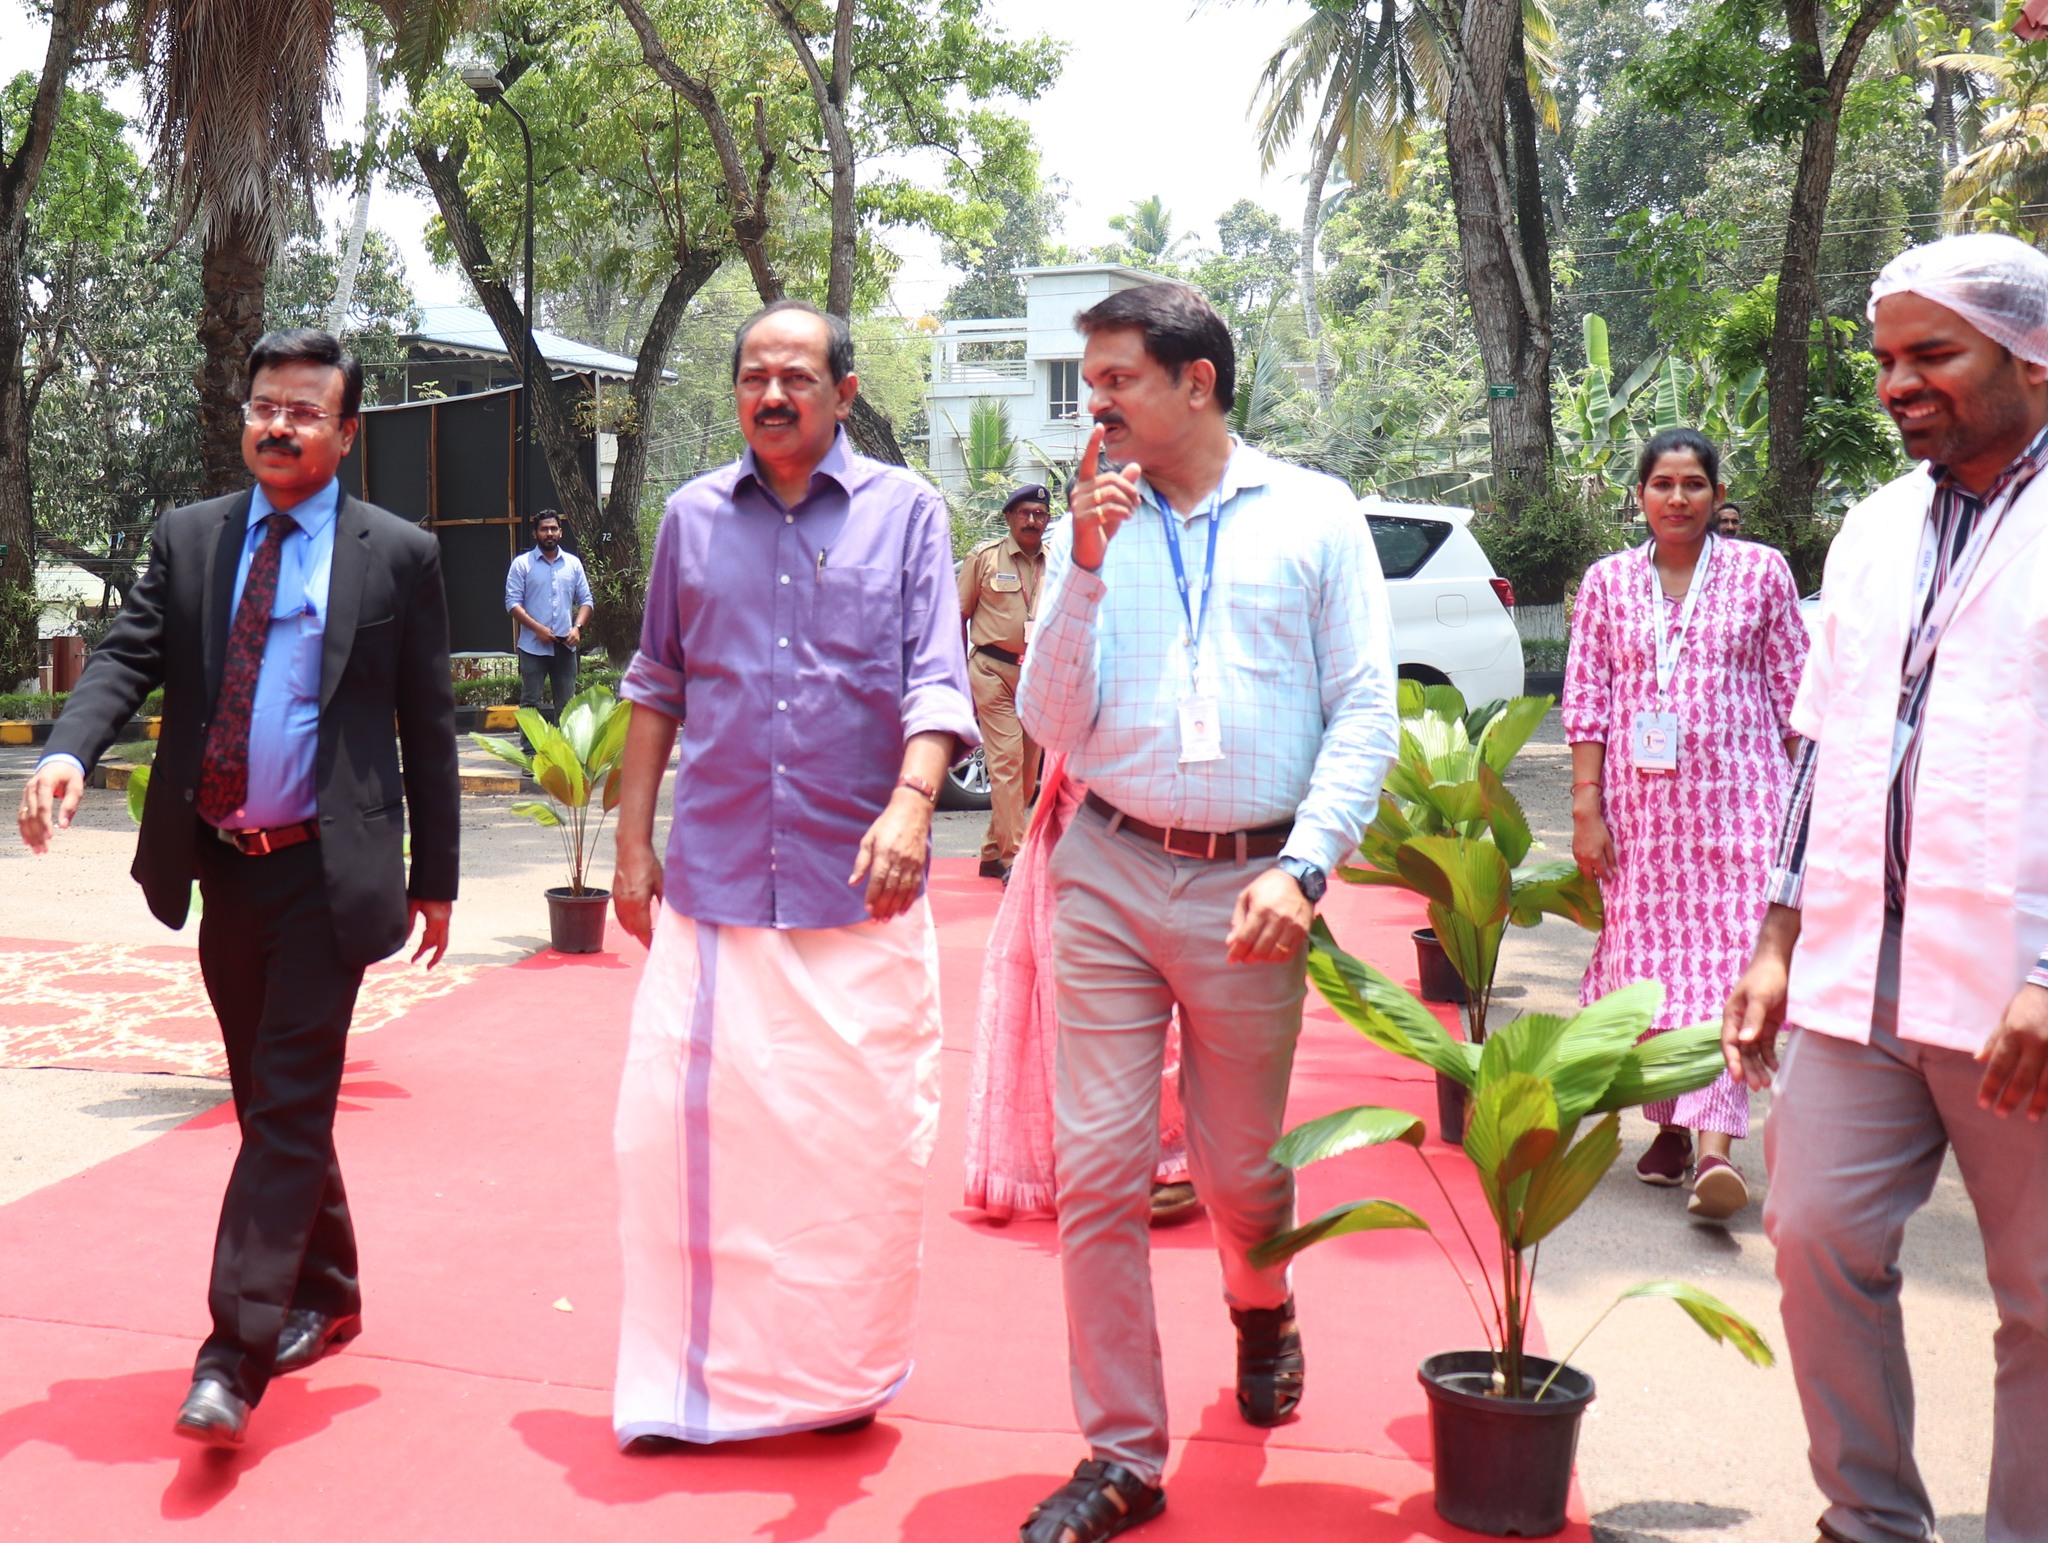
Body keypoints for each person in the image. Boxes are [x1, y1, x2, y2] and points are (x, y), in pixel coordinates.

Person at [15, 328, 459, 1447]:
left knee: (288, 1099)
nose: (278, 424)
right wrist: (67, 751)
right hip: (221, 860)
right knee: (274, 1100)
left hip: (327, 866)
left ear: (346, 431)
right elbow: (126, 654)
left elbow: (428, 727)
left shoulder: (396, 553)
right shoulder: (194, 536)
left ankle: (234, 1351)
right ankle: (334, 1285)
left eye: (305, 411)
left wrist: (437, 878)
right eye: (265, 405)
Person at [1015, 282, 1397, 1543]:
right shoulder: (1090, 531)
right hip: (1110, 870)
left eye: (1117, 378)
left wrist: (1303, 866)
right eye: (1092, 381)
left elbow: (1362, 710)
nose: (1097, 404)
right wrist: (1074, 565)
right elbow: (1046, 725)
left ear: (1198, 382)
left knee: (1240, 1171)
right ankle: (1120, 1453)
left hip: (1254, 887)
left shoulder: (1314, 514)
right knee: (1100, 1173)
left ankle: (1259, 1301)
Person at [1724, 233, 2048, 1543]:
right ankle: (1870, 1517)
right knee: (1813, 1238)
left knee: (2039, 1297)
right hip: (1858, 965)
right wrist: (1777, 932)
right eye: (1886, 360)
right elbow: (1823, 735)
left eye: (1934, 354)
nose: (1900, 383)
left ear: (2032, 354)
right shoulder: (1872, 528)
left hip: (2018, 984)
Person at [608, 298, 976, 1448]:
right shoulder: (687, 518)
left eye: (797, 377)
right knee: (682, 1146)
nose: (773, 395)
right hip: (714, 887)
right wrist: (630, 842)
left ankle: (833, 1381)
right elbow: (656, 683)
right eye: (753, 377)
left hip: (856, 890)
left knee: (848, 1156)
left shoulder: (908, 516)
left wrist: (913, 805)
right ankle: (684, 1387)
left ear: (844, 392)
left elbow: (935, 683)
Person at [1564, 427, 1807, 1220]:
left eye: (1694, 484)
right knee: (1651, 973)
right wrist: (1586, 807)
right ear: (1639, 495)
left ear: (1717, 495)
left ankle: (1713, 1151)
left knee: (1725, 971)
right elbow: (1588, 703)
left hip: (1742, 810)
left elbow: (1798, 697)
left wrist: (1814, 813)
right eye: (1663, 484)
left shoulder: (1761, 572)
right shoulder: (1606, 584)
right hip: (1643, 824)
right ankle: (1669, 1121)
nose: (1678, 498)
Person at [963, 752, 1197, 1225]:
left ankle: (1170, 1155)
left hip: (1152, 779)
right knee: (1087, 982)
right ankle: (1126, 1160)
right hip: (1086, 785)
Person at [959, 483, 1050, 880]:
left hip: (1038, 675)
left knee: (1029, 773)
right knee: (1008, 764)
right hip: (992, 670)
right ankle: (1016, 859)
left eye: (1040, 514)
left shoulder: (1058, 561)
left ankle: (993, 851)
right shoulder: (984, 558)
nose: (1033, 520)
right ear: (1009, 517)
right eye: (1025, 513)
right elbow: (956, 615)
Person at [505, 509, 594, 740]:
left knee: (566, 705)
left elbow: (586, 601)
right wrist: (538, 629)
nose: (549, 533)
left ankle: (563, 753)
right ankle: (530, 752)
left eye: (553, 528)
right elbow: (512, 603)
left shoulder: (573, 564)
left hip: (565, 646)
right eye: (544, 529)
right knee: (530, 703)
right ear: (536, 533)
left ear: (561, 532)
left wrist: (578, 628)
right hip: (533, 646)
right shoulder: (522, 564)